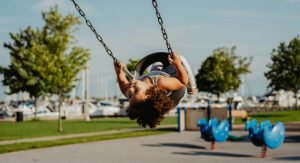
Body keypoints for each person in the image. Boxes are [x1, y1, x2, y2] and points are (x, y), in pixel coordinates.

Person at [114, 52, 196, 128]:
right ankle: (192, 86)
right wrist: (178, 64)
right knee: (181, 59)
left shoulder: (136, 94)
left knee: (157, 62)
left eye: (130, 95)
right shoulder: (161, 82)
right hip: (175, 74)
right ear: (152, 90)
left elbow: (125, 90)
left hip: (157, 72)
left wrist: (119, 73)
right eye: (136, 90)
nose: (131, 89)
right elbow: (182, 82)